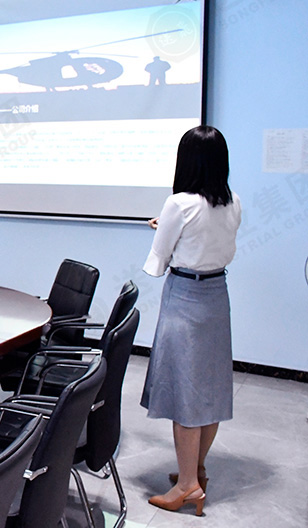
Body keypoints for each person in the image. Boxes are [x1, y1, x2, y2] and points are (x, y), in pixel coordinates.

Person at [140, 125, 241, 516]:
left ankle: (186, 487)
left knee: (184, 396)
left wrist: (163, 227)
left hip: (184, 298)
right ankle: (196, 470)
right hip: (217, 297)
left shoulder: (178, 204)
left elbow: (158, 260)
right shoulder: (233, 201)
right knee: (209, 393)